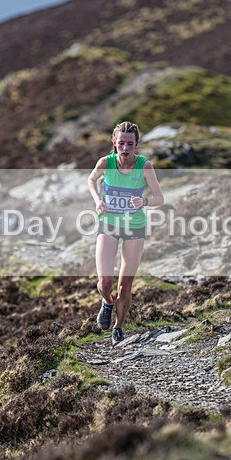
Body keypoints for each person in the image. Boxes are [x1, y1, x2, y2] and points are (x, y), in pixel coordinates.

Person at [87, 121, 164, 346]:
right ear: (114, 143)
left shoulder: (144, 166)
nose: (125, 148)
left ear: (136, 144)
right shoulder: (105, 163)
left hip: (135, 227)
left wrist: (145, 201)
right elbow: (91, 180)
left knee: (125, 286)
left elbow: (160, 198)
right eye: (121, 143)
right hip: (109, 224)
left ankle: (119, 327)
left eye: (129, 143)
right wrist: (98, 200)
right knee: (105, 282)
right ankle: (107, 303)